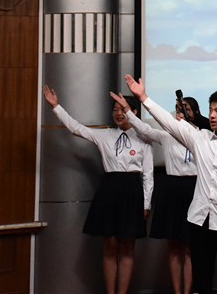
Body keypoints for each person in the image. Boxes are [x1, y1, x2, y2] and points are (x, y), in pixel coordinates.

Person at [124, 75, 217, 294]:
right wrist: (143, 97)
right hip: (200, 220)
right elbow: (167, 122)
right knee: (201, 279)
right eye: (211, 110)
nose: (212, 115)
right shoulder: (199, 138)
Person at [42, 85, 153, 294]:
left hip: (132, 191)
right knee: (109, 246)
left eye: (122, 109)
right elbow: (76, 128)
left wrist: (146, 205)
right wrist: (56, 106)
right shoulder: (105, 135)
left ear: (133, 112)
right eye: (115, 110)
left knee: (127, 248)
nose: (118, 113)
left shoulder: (144, 138)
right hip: (109, 189)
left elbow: (148, 175)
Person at [109, 92, 196, 294]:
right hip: (172, 188)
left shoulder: (203, 136)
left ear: (195, 114)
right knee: (174, 246)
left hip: (195, 189)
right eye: (178, 111)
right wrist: (128, 111)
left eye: (186, 111)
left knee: (190, 248)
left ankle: (189, 291)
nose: (181, 114)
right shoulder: (166, 136)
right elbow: (143, 128)